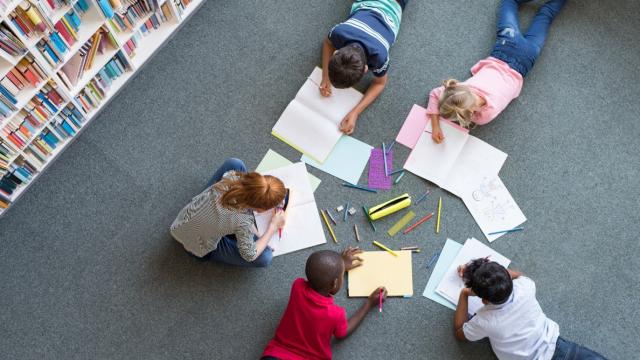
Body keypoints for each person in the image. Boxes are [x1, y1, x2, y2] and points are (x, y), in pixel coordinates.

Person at [427, 0, 566, 143]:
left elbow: (439, 97)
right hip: (506, 45)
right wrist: (435, 123)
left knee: (546, 15)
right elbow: (435, 93)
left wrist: (437, 124)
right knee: (510, 2)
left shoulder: (484, 116)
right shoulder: (462, 88)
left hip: (527, 57)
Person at [454, 258, 607, 360]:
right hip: (560, 347)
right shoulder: (526, 286)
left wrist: (464, 294)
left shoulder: (484, 320)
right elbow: (516, 275)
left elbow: (460, 333)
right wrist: (491, 273)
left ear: (484, 300)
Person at [261, 248, 387, 360]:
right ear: (334, 284)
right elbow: (341, 333)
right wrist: (369, 304)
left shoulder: (297, 286)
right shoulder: (335, 314)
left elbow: (315, 276)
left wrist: (338, 267)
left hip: (275, 354)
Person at [169, 158, 287, 267]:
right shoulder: (244, 221)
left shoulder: (231, 177)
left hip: (181, 223)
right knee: (266, 257)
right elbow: (250, 255)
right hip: (197, 247)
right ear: (260, 209)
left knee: (235, 163)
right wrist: (272, 227)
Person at [321, 0, 409, 135]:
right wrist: (325, 76)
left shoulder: (380, 56)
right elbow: (327, 42)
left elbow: (380, 83)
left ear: (366, 69)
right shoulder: (340, 31)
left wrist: (356, 112)